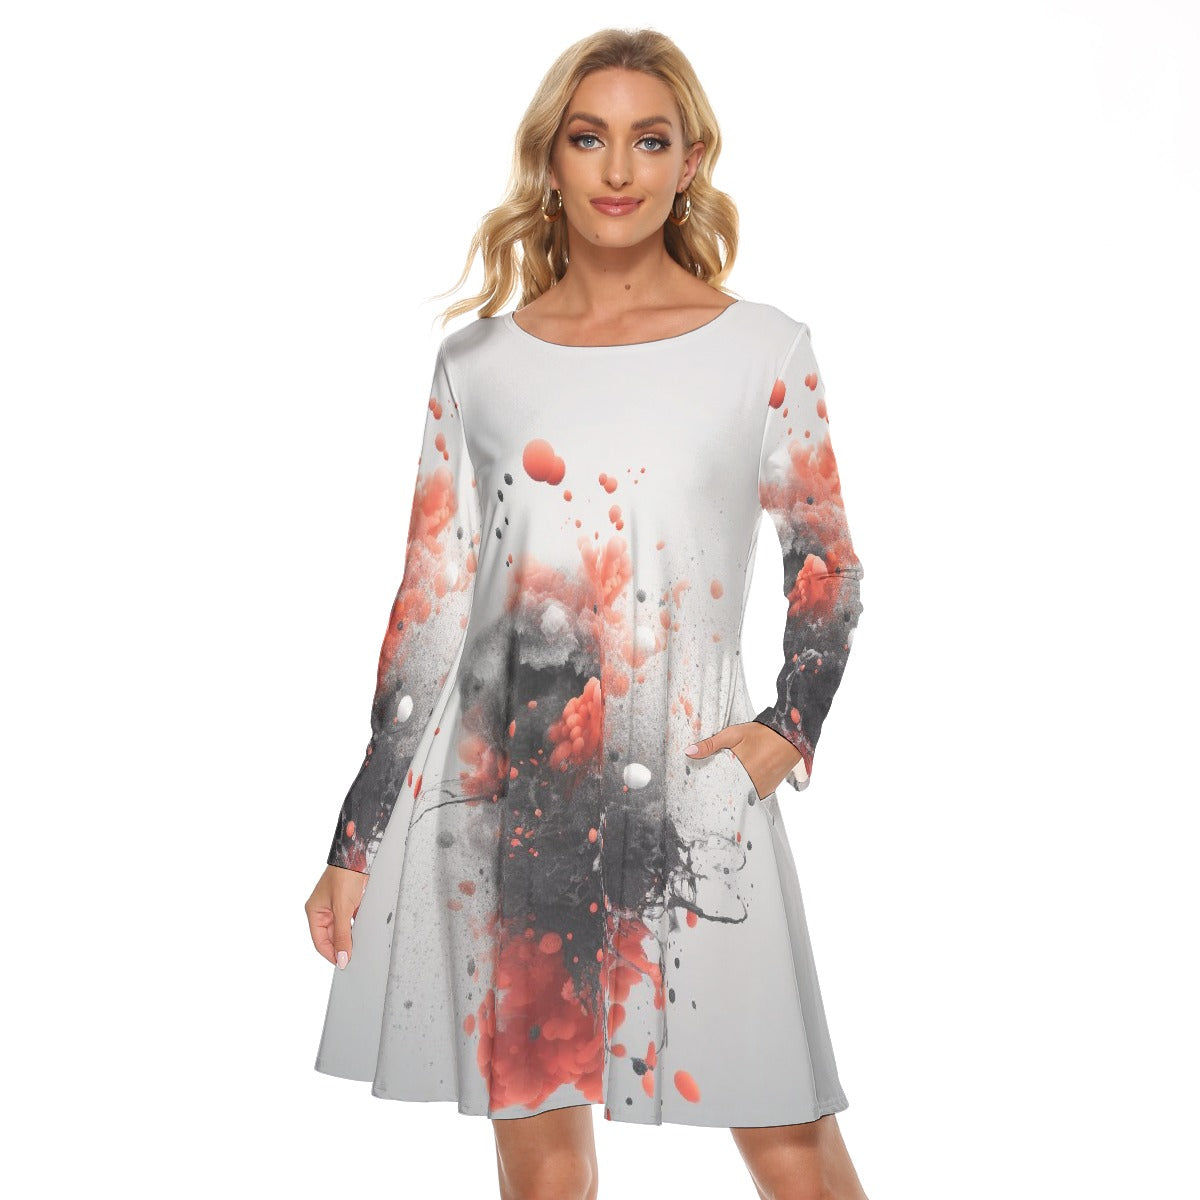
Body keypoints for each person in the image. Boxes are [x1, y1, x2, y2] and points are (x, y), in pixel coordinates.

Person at [305, 26, 871, 1200]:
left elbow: (825, 565)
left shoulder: (763, 349)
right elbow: (430, 608)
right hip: (505, 798)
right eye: (589, 137)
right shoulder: (478, 363)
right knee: (543, 1166)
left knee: (792, 1145)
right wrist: (356, 836)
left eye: (649, 140)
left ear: (690, 160)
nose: (618, 168)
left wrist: (790, 728)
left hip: (697, 788)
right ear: (550, 157)